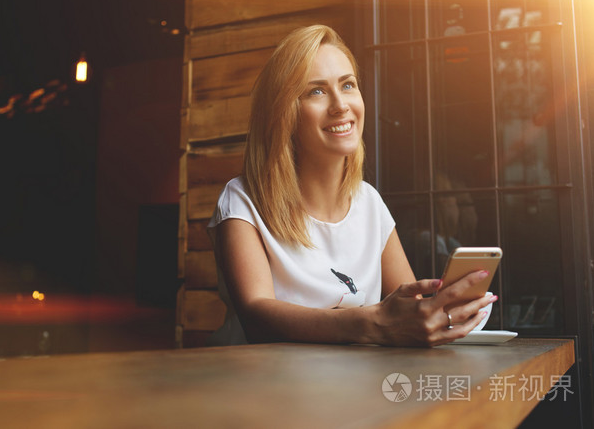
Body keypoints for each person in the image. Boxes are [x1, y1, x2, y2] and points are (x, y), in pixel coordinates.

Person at [206, 25, 497, 346]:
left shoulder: (369, 202)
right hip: (262, 388)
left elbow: (409, 313)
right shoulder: (243, 200)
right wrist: (369, 323)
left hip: (353, 389)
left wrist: (440, 313)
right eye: (316, 91)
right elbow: (256, 314)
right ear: (283, 113)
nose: (340, 105)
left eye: (348, 85)